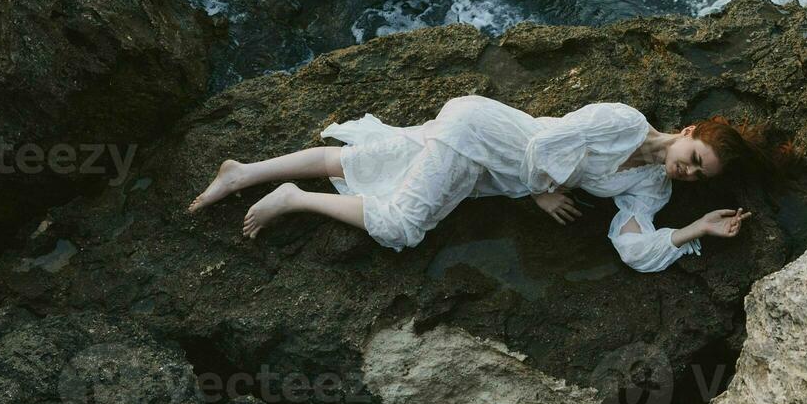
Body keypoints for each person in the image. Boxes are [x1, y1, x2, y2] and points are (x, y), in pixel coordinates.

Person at [188, 94, 769, 272]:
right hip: (484, 134)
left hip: (485, 163)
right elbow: (544, 145)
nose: (687, 170)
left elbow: (632, 247)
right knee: (401, 226)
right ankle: (290, 198)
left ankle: (244, 172)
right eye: (694, 155)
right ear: (688, 131)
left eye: (699, 174)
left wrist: (692, 227)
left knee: (365, 161)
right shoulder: (623, 121)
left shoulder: (652, 191)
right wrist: (541, 189)